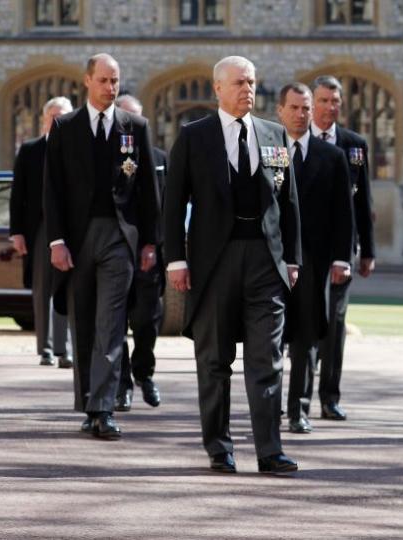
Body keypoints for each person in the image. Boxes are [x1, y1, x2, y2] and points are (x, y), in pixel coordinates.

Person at [165, 56, 301, 474]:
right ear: (218, 89)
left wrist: (291, 259)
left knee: (268, 357)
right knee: (215, 359)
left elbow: (288, 202)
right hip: (214, 262)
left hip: (265, 259)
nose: (248, 90)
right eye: (240, 83)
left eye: (253, 83)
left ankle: (269, 450)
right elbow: (173, 203)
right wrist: (176, 259)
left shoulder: (274, 133)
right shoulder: (194, 136)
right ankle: (219, 447)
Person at [44, 53, 160, 438]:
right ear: (87, 81)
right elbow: (53, 190)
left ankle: (104, 407)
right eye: (105, 80)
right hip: (77, 239)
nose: (111, 87)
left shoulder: (135, 126)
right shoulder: (65, 127)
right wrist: (57, 241)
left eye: (116, 81)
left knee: (111, 325)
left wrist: (149, 242)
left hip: (118, 236)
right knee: (84, 323)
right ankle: (88, 403)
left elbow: (147, 190)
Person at [277, 82, 354, 434]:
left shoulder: (332, 157)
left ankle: (299, 408)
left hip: (313, 261)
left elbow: (344, 213)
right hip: (273, 259)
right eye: (294, 108)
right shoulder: (268, 150)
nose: (301, 114)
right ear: (280, 110)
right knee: (272, 336)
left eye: (305, 108)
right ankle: (270, 405)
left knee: (306, 337)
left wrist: (342, 258)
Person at [309, 75, 376, 421]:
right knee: (305, 323)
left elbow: (362, 201)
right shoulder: (296, 140)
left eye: (335, 101)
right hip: (305, 249)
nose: (330, 107)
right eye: (323, 101)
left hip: (341, 249)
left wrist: (367, 251)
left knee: (336, 325)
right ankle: (300, 398)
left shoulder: (354, 145)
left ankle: (329, 397)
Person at [10, 96, 74, 369]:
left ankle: (66, 349)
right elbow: (18, 195)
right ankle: (46, 349)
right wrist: (17, 232)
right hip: (40, 229)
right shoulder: (30, 150)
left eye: (64, 116)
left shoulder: (79, 148)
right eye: (54, 116)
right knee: (43, 290)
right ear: (45, 119)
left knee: (69, 289)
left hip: (72, 229)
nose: (58, 121)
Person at [114, 93, 166, 411]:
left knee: (146, 321)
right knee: (116, 321)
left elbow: (169, 206)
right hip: (118, 250)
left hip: (149, 253)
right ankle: (122, 385)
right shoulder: (107, 158)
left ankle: (143, 374)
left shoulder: (160, 157)